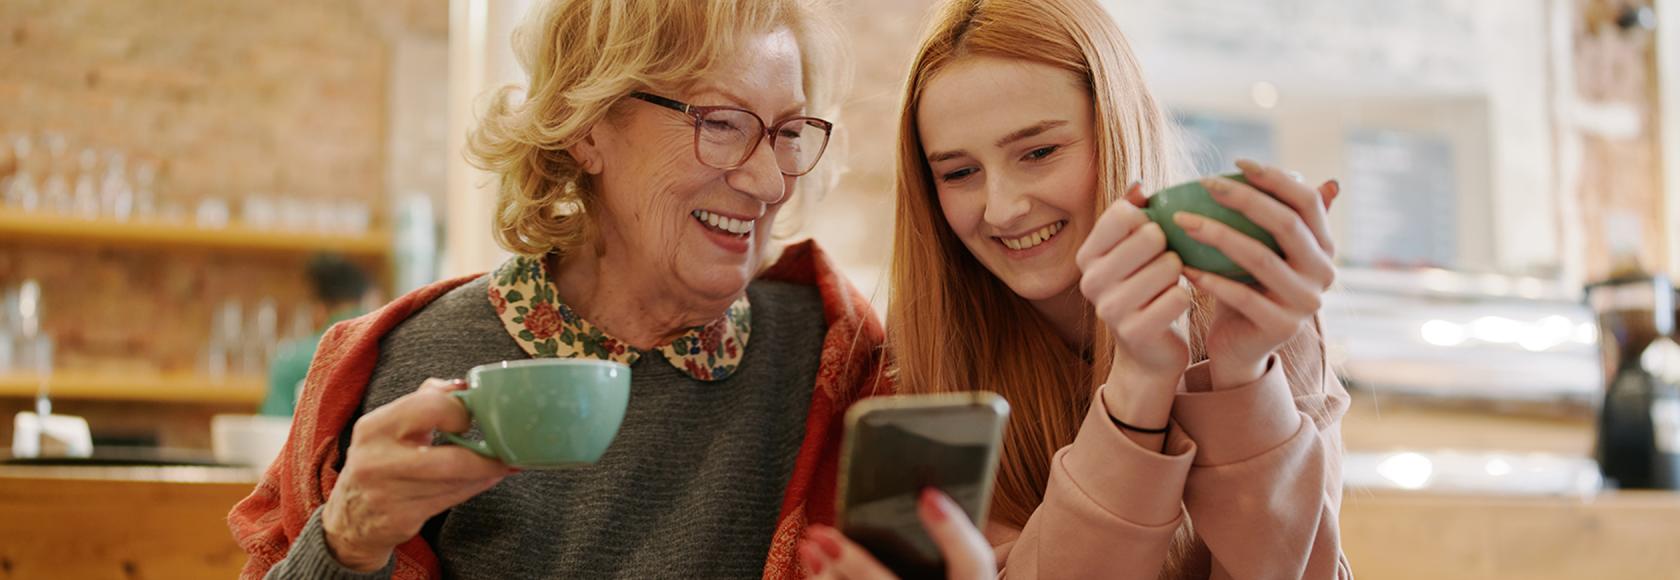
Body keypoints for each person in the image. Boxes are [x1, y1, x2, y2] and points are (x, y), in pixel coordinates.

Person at [228, 1, 892, 578]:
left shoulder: (832, 354)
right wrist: (346, 543)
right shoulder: (406, 359)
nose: (771, 182)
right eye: (721, 124)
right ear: (586, 126)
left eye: (790, 134)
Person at [797, 0, 1351, 577]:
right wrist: (1138, 382)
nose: (1003, 208)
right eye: (959, 173)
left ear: (1118, 129)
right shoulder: (922, 368)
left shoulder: (1256, 318)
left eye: (1038, 153)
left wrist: (1242, 376)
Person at [261, 254, 372, 417]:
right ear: (365, 298)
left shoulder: (292, 361)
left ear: (318, 307)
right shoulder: (389, 343)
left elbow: (272, 428)